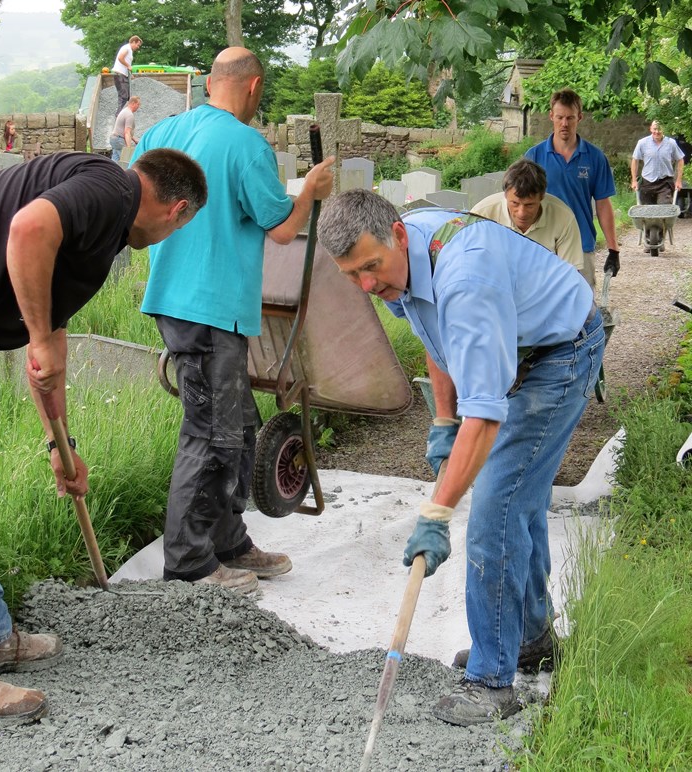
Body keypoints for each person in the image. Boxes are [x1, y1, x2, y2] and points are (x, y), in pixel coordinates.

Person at [0, 149, 207, 721]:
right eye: (181, 226)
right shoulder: (111, 190)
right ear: (177, 210)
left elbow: (48, 347)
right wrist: (36, 336)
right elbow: (28, 230)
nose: (167, 235)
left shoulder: (95, 226)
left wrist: (62, 447)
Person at [317, 189, 604, 727]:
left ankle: (493, 682)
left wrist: (436, 513)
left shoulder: (464, 278)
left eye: (371, 268)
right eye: (351, 274)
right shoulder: (403, 260)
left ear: (397, 235)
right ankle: (531, 641)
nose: (367, 285)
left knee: (495, 509)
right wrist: (443, 419)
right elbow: (435, 332)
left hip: (559, 352)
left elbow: (488, 416)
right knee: (519, 503)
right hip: (515, 347)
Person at [131, 47, 334, 593]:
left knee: (239, 426)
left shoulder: (162, 133)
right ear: (253, 85)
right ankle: (190, 564)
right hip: (210, 308)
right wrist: (310, 191)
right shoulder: (247, 145)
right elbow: (282, 230)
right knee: (211, 433)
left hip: (177, 299)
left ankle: (230, 541)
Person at [526, 88, 620, 285]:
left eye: (570, 118)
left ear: (580, 117)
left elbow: (603, 204)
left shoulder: (595, 158)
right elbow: (520, 202)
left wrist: (613, 249)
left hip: (581, 244)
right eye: (559, 117)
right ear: (551, 116)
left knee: (582, 308)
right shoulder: (534, 157)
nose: (564, 123)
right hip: (542, 244)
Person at [472, 158, 583, 272]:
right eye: (515, 203)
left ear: (542, 197)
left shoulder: (564, 217)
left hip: (544, 283)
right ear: (505, 195)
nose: (522, 213)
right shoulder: (481, 214)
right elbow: (467, 263)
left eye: (529, 205)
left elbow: (571, 275)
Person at [631, 120, 684, 205]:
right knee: (647, 212)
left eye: (659, 129)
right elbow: (635, 160)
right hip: (647, 182)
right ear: (650, 129)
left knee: (664, 208)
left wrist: (678, 180)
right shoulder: (642, 143)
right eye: (655, 129)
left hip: (665, 183)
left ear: (663, 130)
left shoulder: (671, 143)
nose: (657, 132)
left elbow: (680, 159)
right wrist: (634, 180)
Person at [112, 35, 142, 115]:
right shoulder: (127, 48)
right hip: (120, 75)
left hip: (123, 75)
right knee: (124, 97)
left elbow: (126, 64)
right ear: (133, 42)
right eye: (137, 45)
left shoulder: (130, 50)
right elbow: (120, 57)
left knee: (126, 96)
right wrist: (128, 66)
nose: (138, 47)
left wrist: (130, 74)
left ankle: (121, 114)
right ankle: (119, 115)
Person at [110, 96, 140, 162]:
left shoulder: (124, 111)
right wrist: (128, 148)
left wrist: (135, 140)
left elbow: (125, 130)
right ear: (133, 103)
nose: (139, 106)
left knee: (115, 160)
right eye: (138, 104)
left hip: (114, 139)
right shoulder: (129, 115)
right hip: (119, 140)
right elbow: (127, 132)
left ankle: (111, 171)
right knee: (126, 160)